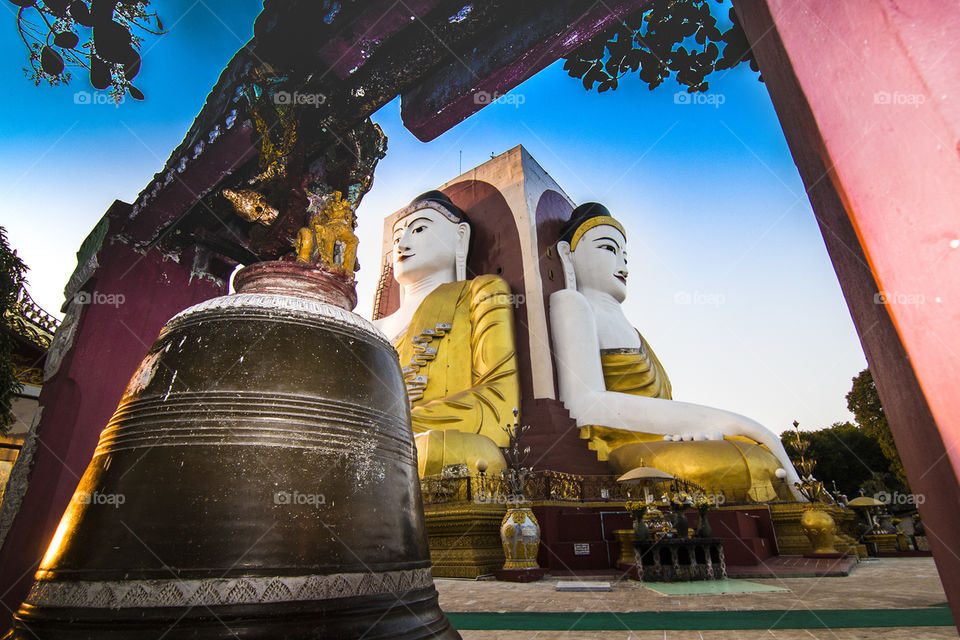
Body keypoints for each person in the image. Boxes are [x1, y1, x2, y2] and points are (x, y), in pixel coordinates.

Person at [549, 203, 803, 502]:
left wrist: (697, 427)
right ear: (568, 253)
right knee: (728, 463)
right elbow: (584, 404)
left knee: (748, 453)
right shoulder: (573, 304)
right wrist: (736, 423)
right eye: (608, 249)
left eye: (625, 256)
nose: (624, 266)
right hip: (613, 441)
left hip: (659, 435)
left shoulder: (631, 328)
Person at [374, 191, 520, 477]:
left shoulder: (483, 292)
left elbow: (500, 403)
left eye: (419, 229)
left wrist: (390, 428)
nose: (402, 244)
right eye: (397, 238)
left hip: (418, 442)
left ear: (459, 236)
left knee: (479, 457)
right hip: (381, 443)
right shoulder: (374, 328)